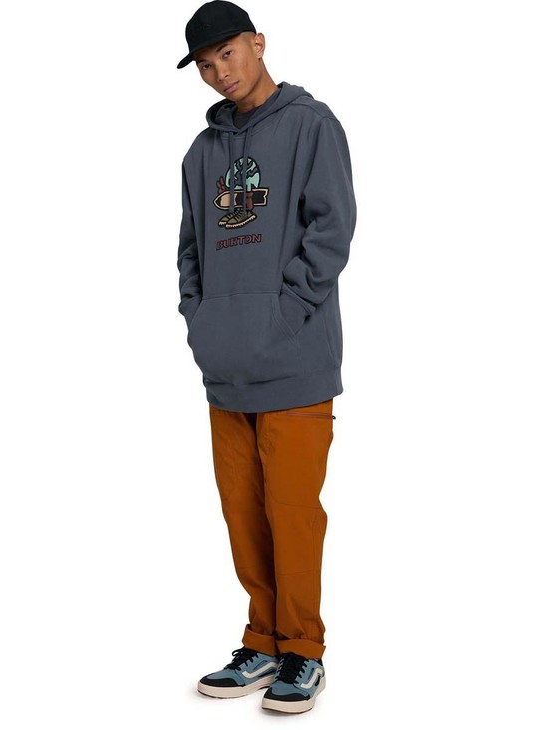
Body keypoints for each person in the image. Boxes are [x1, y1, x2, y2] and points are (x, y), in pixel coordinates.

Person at [175, 0, 357, 714]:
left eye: (228, 53)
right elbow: (191, 250)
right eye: (205, 64)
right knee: (244, 516)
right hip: (225, 369)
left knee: (292, 513)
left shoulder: (311, 125)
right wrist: (202, 322)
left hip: (294, 362)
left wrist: (283, 317)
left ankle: (303, 650)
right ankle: (263, 640)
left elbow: (331, 230)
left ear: (258, 43)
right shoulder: (201, 154)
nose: (219, 71)